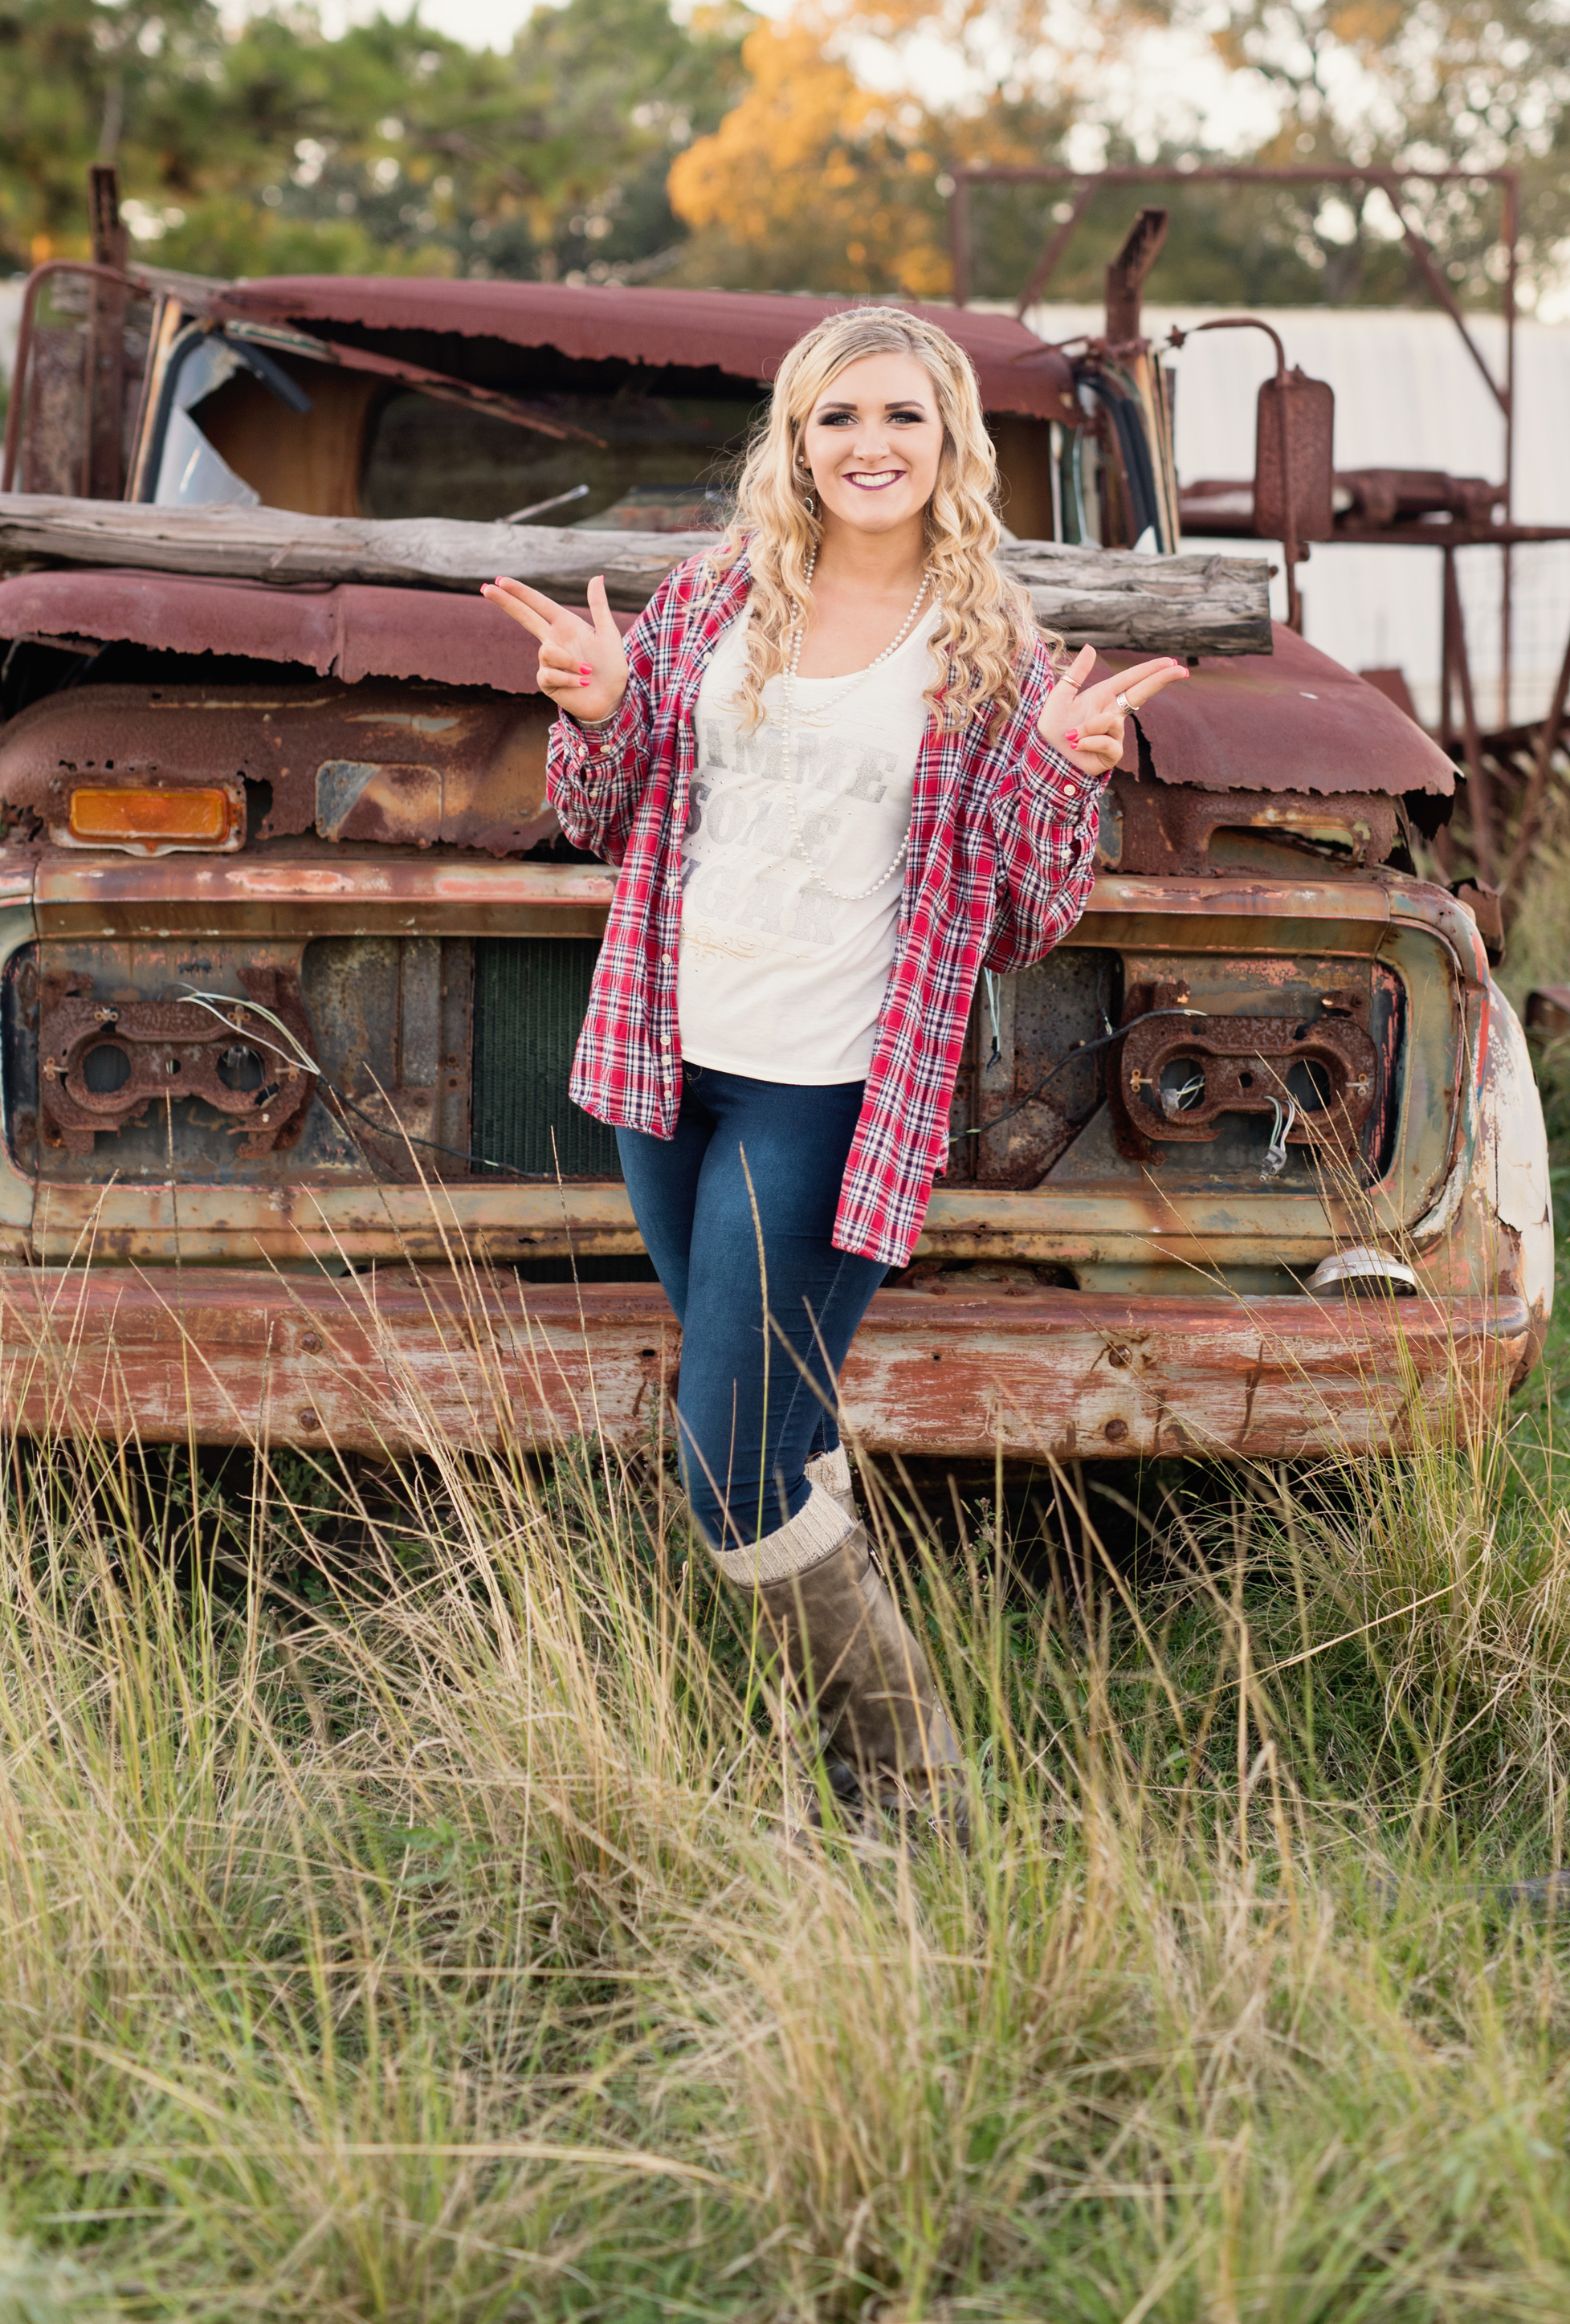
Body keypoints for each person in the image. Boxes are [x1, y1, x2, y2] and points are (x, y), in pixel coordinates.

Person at [482, 306, 1184, 1831]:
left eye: (902, 419)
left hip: (831, 1087)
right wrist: (597, 708)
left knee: (729, 1463)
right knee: (780, 1432)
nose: (871, 445)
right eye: (838, 418)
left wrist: (1059, 776)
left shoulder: (997, 646)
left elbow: (1024, 910)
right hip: (673, 1063)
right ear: (796, 441)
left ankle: (913, 1777)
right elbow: (613, 812)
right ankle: (855, 1790)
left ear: (950, 447)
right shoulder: (712, 598)